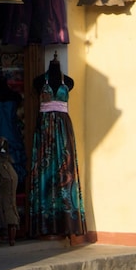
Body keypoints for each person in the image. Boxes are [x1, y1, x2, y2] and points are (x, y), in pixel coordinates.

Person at [28, 54, 86, 239]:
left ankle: (67, 223)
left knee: (64, 170)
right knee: (44, 173)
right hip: (45, 130)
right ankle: (45, 224)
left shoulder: (68, 81)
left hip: (63, 129)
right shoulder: (39, 81)